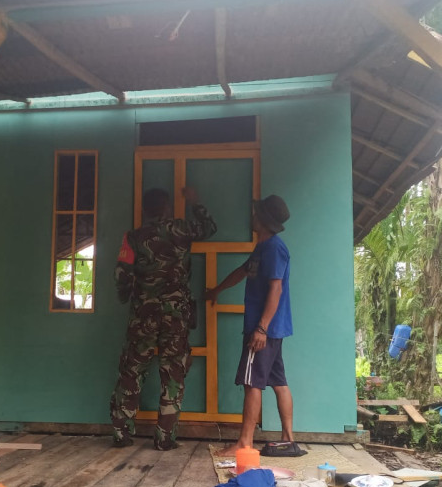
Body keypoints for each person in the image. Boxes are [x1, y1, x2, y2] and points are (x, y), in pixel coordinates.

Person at [110, 187, 217, 450]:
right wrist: (196, 203)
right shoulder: (181, 229)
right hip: (176, 314)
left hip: (143, 314)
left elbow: (121, 275)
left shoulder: (134, 237)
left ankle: (122, 433)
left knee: (132, 370)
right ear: (167, 207)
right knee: (173, 373)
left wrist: (127, 298)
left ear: (145, 210)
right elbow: (210, 227)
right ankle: (164, 438)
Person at [205, 194, 305, 457]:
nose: (251, 215)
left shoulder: (273, 248)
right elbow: (242, 271)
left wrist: (261, 328)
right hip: (274, 329)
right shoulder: (263, 248)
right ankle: (288, 439)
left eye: (255, 212)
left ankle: (245, 443)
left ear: (262, 219)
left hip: (264, 329)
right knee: (278, 381)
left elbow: (276, 289)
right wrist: (216, 290)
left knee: (252, 383)